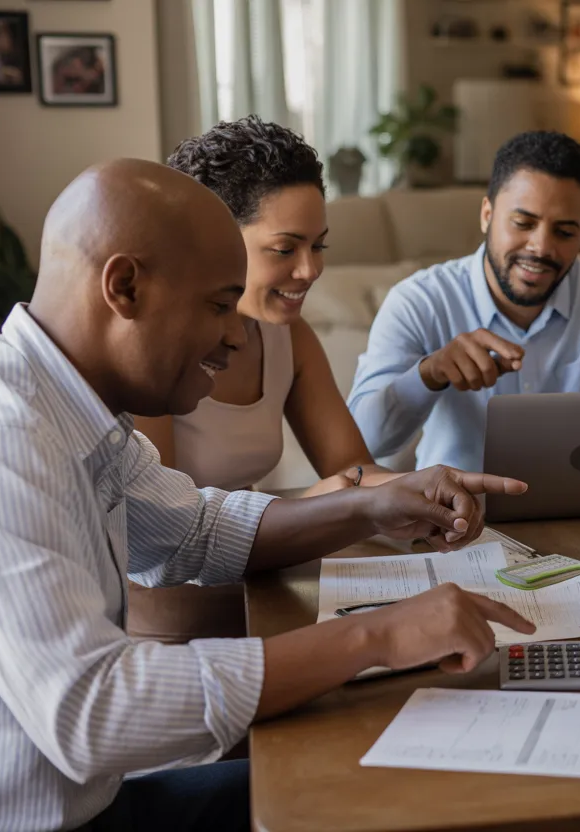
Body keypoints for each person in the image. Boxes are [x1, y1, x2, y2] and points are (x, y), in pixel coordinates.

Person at [0, 159, 534, 831]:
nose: (234, 333)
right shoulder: (3, 437)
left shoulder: (80, 411)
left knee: (387, 783)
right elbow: (92, 713)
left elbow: (195, 532)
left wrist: (369, 503)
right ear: (123, 286)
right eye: (219, 304)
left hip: (104, 801)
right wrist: (375, 634)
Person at [130, 117, 400, 645]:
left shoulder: (288, 338)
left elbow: (353, 471)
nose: (309, 271)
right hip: (172, 625)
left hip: (264, 590)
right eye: (285, 249)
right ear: (214, 240)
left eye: (319, 246)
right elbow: (164, 531)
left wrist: (432, 488)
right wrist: (313, 507)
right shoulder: (152, 356)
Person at [348, 130, 580, 473]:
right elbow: (362, 442)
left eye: (565, 232)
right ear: (487, 214)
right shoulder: (419, 300)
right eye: (523, 223)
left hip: (576, 509)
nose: (541, 247)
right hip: (457, 516)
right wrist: (429, 373)